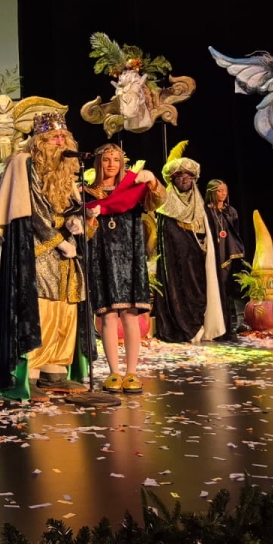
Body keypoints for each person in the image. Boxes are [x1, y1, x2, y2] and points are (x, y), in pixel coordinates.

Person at [0, 111, 91, 401]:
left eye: (63, 136)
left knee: (64, 307)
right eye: (54, 137)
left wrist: (75, 221)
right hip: (36, 250)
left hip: (64, 250)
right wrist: (58, 241)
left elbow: (67, 205)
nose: (60, 141)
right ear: (40, 141)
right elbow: (30, 211)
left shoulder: (66, 170)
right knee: (39, 308)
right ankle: (29, 375)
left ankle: (54, 372)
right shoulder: (25, 164)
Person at [84, 144, 164, 394]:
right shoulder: (87, 192)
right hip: (102, 257)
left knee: (130, 315)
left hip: (130, 256)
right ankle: (113, 372)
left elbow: (158, 201)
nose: (111, 164)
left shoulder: (133, 189)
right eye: (106, 159)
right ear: (98, 163)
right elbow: (81, 227)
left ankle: (131, 372)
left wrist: (152, 181)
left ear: (122, 163)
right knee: (107, 316)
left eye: (116, 160)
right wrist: (87, 216)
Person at [152, 142, 226, 344]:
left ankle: (200, 326)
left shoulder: (200, 205)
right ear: (173, 179)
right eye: (180, 176)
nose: (185, 180)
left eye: (189, 176)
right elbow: (167, 238)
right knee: (179, 291)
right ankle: (182, 327)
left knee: (200, 292)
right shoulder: (165, 205)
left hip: (198, 259)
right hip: (176, 263)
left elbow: (205, 231)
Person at [205, 179, 245, 340]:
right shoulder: (206, 211)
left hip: (231, 253)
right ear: (212, 192)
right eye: (219, 191)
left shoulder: (231, 212)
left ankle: (240, 321)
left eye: (225, 191)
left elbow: (235, 233)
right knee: (217, 288)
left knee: (234, 287)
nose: (223, 194)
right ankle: (217, 325)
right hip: (214, 252)